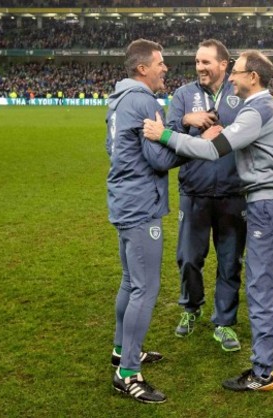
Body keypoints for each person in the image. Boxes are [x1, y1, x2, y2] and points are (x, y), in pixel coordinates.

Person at [143, 50, 273, 392]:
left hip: (262, 200)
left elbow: (215, 148)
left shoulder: (256, 107)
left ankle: (262, 372)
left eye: (237, 71)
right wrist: (185, 122)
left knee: (258, 283)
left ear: (252, 77)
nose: (233, 77)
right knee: (263, 273)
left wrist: (165, 136)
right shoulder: (256, 105)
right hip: (244, 197)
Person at [167, 39, 273, 352]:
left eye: (206, 62)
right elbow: (167, 131)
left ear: (224, 65)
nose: (200, 68)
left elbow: (261, 127)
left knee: (230, 262)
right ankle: (191, 307)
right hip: (194, 190)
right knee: (188, 259)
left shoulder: (242, 95)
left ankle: (224, 323)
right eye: (197, 62)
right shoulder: (183, 95)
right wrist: (186, 121)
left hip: (233, 192)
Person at [105, 38, 188, 404]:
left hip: (124, 201)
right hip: (141, 206)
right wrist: (195, 144)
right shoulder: (143, 101)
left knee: (130, 282)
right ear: (142, 68)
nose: (165, 68)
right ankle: (128, 374)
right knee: (146, 287)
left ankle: (122, 351)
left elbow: (114, 149)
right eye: (160, 63)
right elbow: (158, 160)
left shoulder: (118, 99)